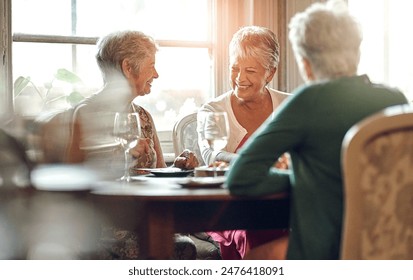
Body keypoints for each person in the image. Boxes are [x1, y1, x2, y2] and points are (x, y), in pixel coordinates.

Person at [226, 0, 409, 260]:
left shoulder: (307, 101)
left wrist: (304, 182)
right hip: (391, 251)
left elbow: (241, 177)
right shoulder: (395, 99)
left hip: (325, 254)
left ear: (306, 63)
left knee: (255, 260)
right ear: (357, 52)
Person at [66, 30, 199, 259]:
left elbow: (158, 173)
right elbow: (73, 182)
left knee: (185, 245)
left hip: (146, 219)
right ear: (128, 67)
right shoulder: (86, 114)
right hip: (103, 227)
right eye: (151, 65)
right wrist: (122, 156)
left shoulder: (143, 117)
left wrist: (178, 168)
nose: (156, 74)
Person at [197, 26, 290, 260]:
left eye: (249, 70)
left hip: (278, 206)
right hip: (227, 210)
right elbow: (211, 156)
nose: (239, 78)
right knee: (252, 232)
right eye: (235, 68)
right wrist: (259, 163)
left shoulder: (290, 106)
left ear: (270, 73)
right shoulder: (213, 110)